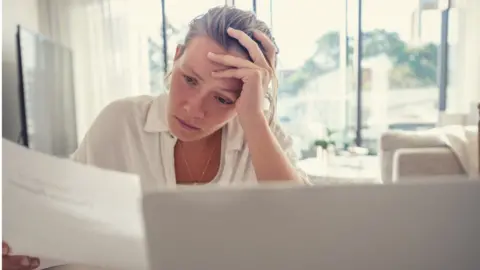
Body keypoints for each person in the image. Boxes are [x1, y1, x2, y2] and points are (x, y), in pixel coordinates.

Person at [3, 5, 309, 269]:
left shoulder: (260, 136)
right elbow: (63, 220)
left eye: (223, 99)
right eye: (189, 79)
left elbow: (303, 228)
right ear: (176, 57)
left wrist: (254, 120)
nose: (193, 108)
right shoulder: (119, 123)